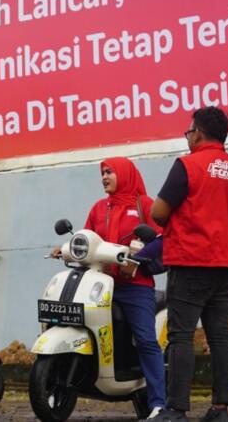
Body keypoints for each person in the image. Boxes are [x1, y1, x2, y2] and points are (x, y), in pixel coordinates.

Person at [151, 107, 228, 422]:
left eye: (189, 132)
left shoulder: (187, 166)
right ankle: (220, 409)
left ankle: (176, 409)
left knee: (181, 336)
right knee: (220, 336)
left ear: (197, 133)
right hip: (227, 267)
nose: (188, 137)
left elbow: (158, 213)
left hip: (191, 262)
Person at [70, 157, 166, 419]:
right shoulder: (99, 208)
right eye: (102, 173)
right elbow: (86, 239)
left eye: (109, 172)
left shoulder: (144, 205)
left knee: (145, 340)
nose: (104, 177)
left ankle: (159, 403)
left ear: (125, 174)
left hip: (136, 286)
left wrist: (138, 257)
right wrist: (67, 249)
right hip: (101, 284)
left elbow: (162, 238)